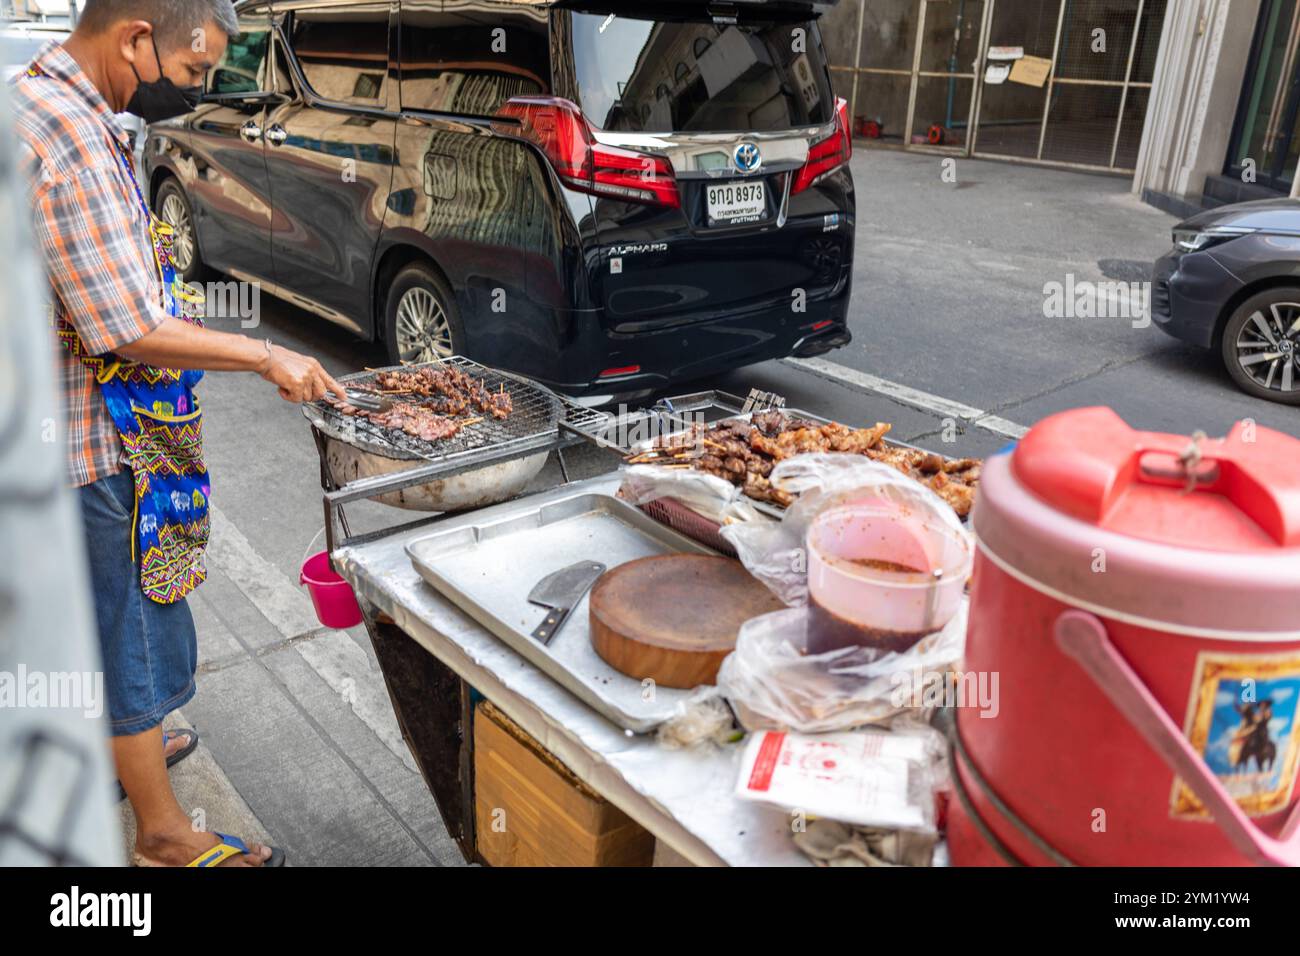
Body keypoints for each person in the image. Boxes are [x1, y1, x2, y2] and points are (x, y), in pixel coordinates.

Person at [11, 0, 346, 867]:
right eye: (194, 73)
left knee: (100, 613)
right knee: (132, 620)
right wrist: (261, 355)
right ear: (134, 39)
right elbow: (122, 324)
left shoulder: (48, 103)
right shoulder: (73, 138)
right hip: (90, 438)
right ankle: (160, 832)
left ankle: (125, 741)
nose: (195, 92)